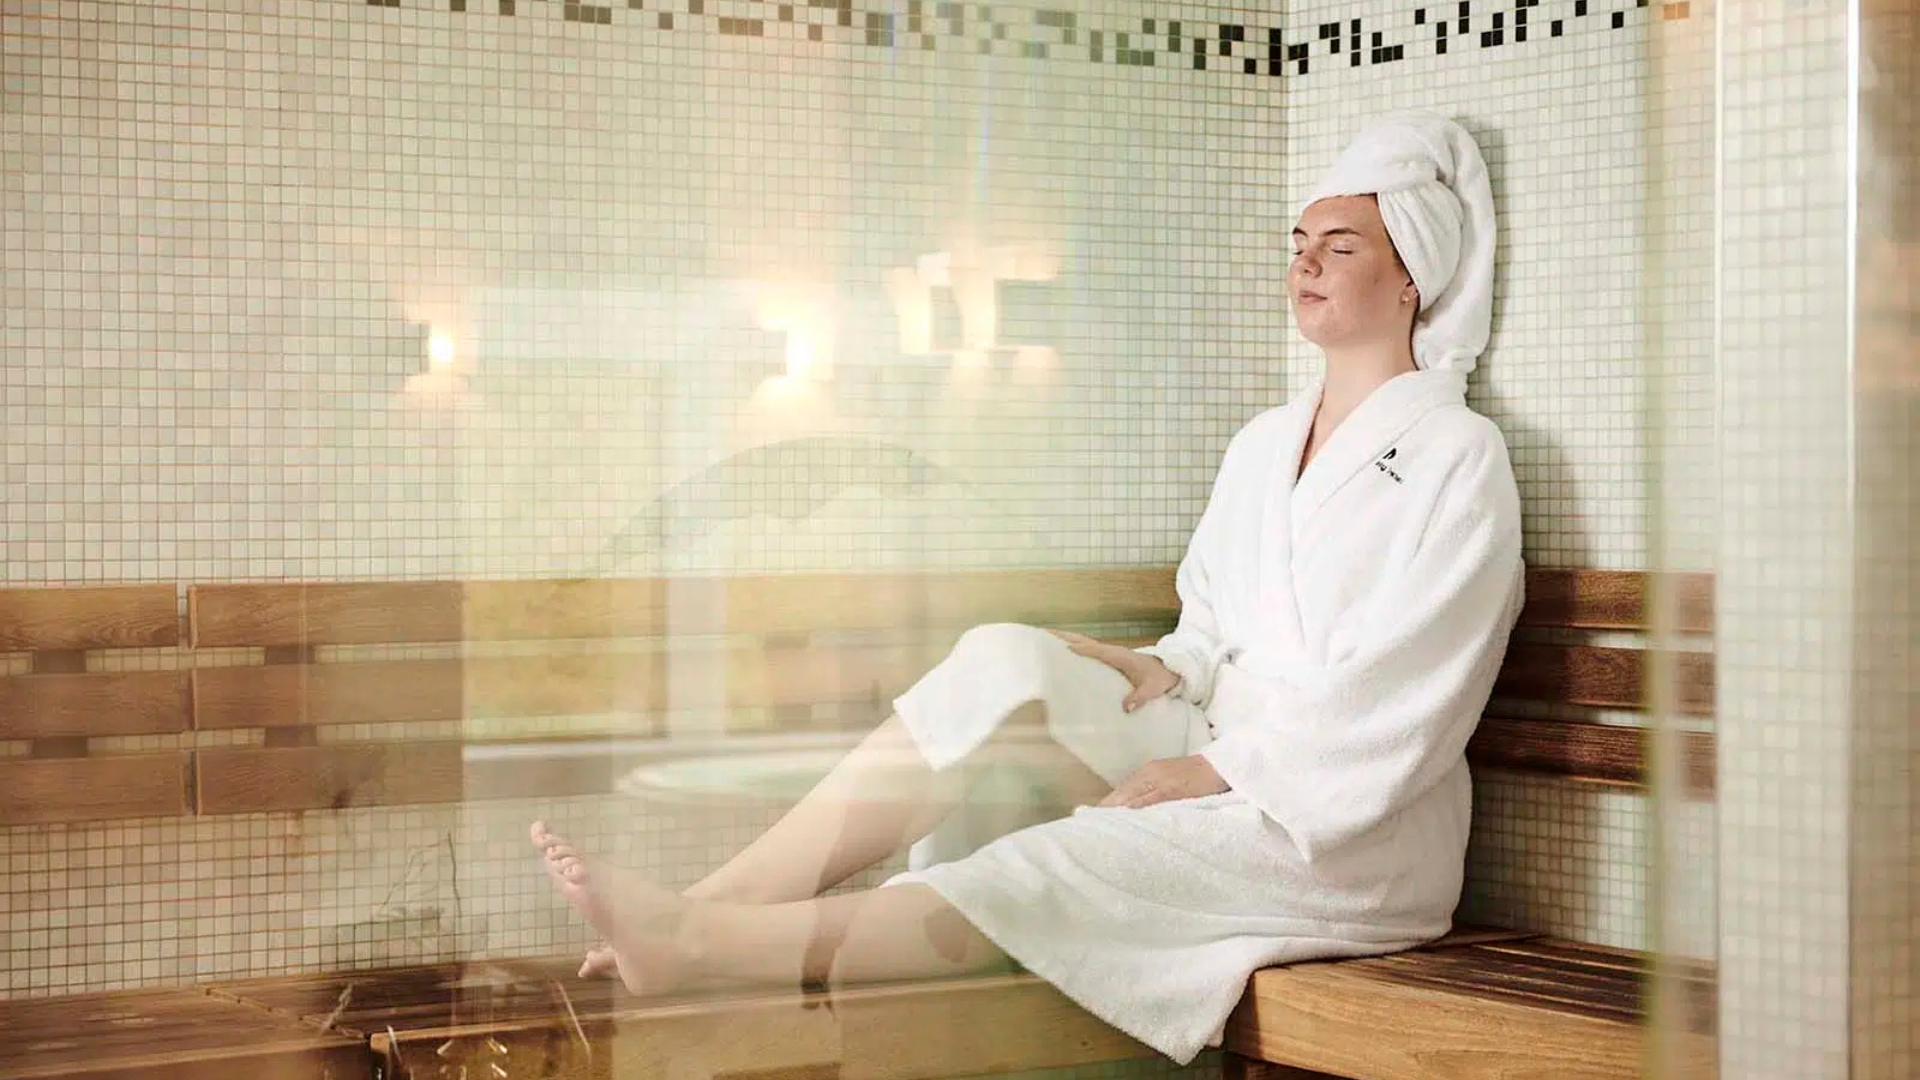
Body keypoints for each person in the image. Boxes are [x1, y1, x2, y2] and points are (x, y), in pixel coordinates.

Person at [531, 112, 1525, 1065]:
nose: (1304, 262)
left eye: (1341, 247)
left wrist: (1226, 775)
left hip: (1344, 830)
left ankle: (706, 949)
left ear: (1413, 279)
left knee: (1051, 862)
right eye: (1298, 240)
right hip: (1226, 749)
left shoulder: (1457, 457)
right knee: (1003, 655)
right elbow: (1215, 623)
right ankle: (717, 897)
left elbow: (1412, 689)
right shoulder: (1265, 445)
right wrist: (1158, 666)